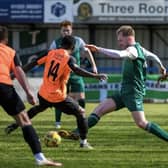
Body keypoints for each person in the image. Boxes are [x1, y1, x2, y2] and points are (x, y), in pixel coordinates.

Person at [68, 25, 168, 143]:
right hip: (124, 92)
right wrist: (161, 67)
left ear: (129, 38)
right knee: (99, 110)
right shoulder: (140, 48)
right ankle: (76, 133)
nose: (119, 43)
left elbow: (119, 55)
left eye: (120, 40)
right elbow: (153, 56)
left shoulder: (133, 50)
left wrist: (99, 49)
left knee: (142, 123)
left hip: (133, 93)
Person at [5, 35, 107, 149]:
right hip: (58, 96)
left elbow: (32, 64)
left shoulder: (50, 53)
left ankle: (15, 124)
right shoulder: (69, 58)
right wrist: (95, 76)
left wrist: (14, 75)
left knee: (38, 109)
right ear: (73, 48)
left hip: (43, 93)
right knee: (81, 112)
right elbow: (77, 70)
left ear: (61, 44)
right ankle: (83, 142)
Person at [0, 26, 62, 166]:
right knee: (24, 121)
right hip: (4, 85)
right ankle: (40, 158)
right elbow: (18, 72)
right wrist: (28, 92)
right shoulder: (10, 51)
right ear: (6, 39)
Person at [49, 20, 97, 129]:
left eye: (68, 30)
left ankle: (81, 118)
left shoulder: (78, 41)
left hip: (76, 74)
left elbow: (87, 51)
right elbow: (49, 57)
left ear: (71, 30)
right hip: (61, 76)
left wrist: (94, 66)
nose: (66, 32)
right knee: (59, 98)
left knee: (81, 97)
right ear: (60, 31)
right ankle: (57, 123)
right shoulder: (55, 43)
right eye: (64, 30)